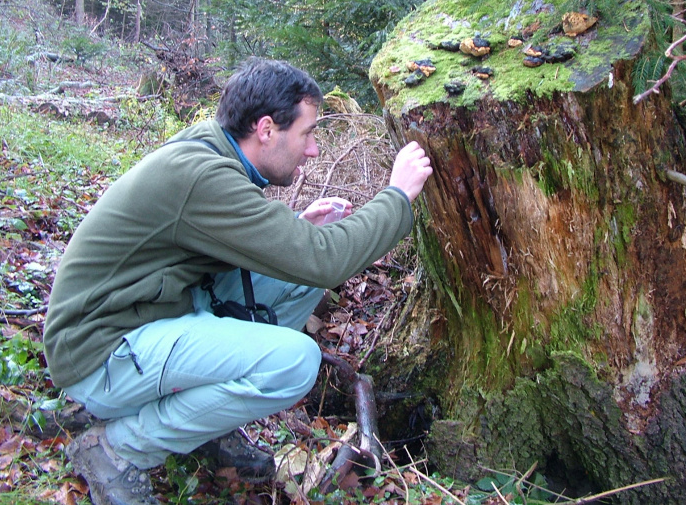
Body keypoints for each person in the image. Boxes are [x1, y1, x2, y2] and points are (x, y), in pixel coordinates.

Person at [43, 58, 433, 505]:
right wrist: (398, 195)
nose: (314, 151)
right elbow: (327, 260)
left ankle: (203, 426)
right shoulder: (204, 176)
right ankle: (118, 450)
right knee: (294, 363)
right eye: (307, 134)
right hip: (99, 355)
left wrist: (293, 228)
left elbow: (226, 247)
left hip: (142, 315)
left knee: (298, 279)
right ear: (266, 129)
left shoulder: (210, 150)